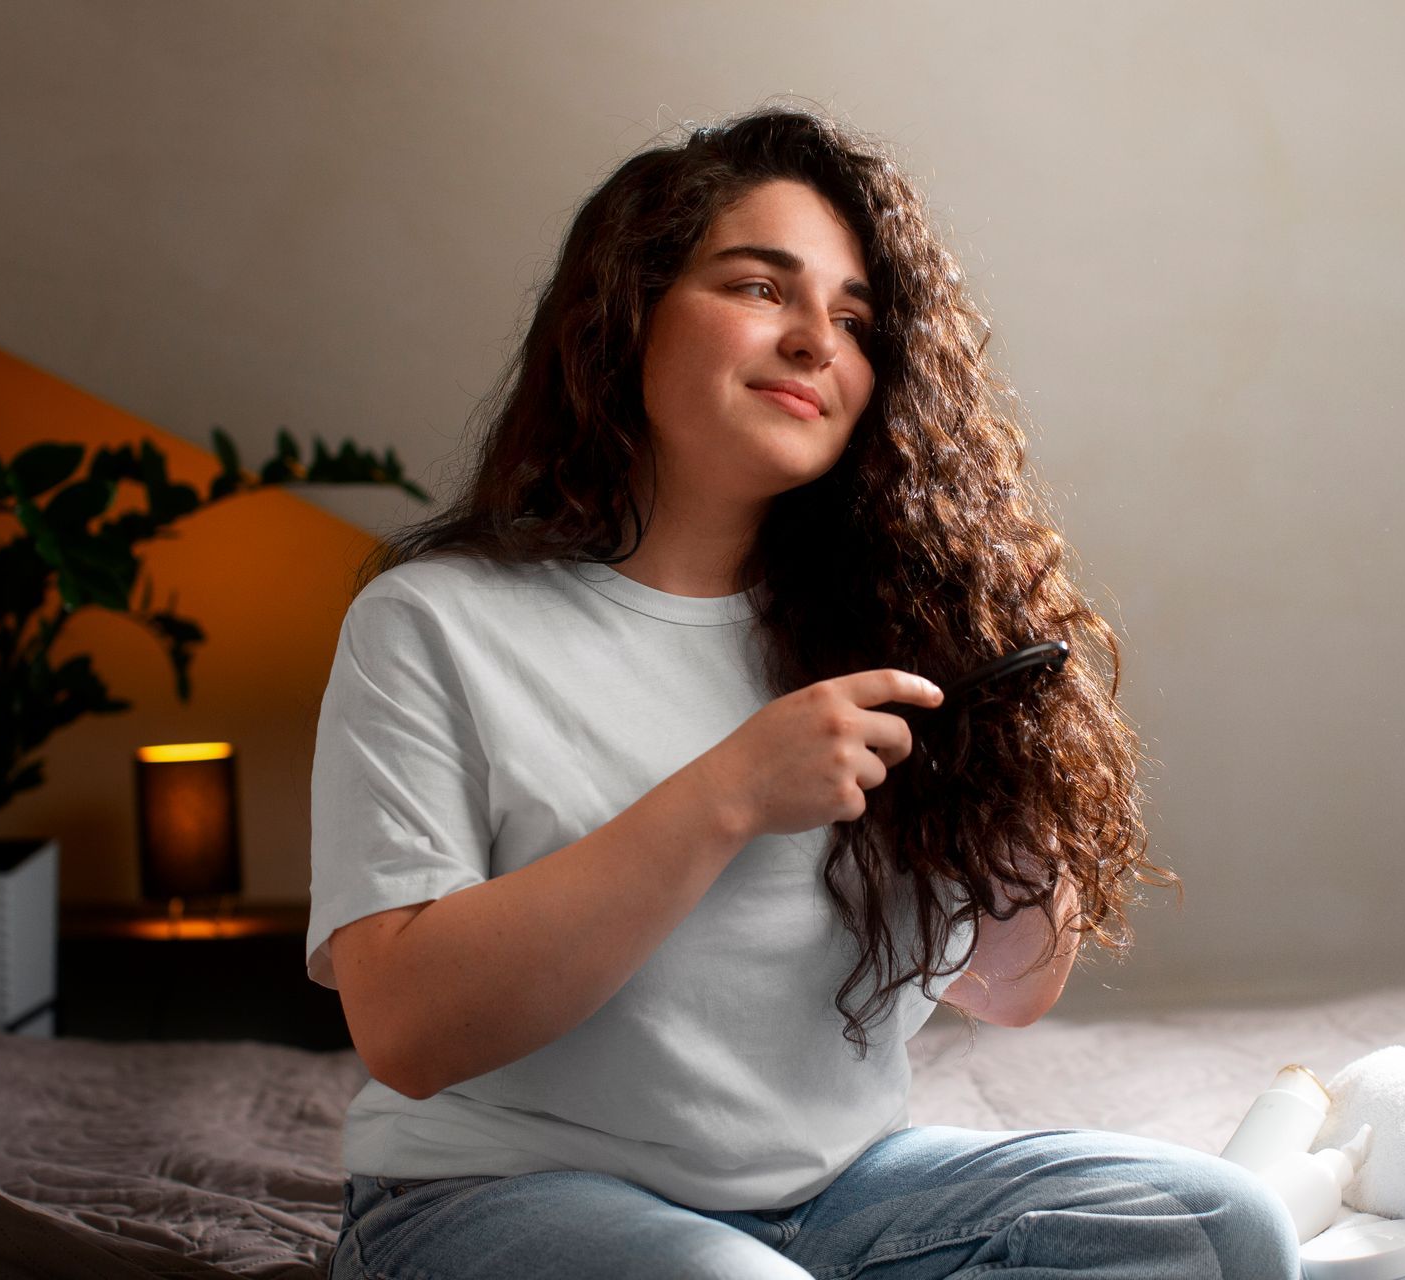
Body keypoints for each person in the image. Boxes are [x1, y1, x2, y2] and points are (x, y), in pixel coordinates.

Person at [308, 103, 1300, 1279]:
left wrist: (1016, 791)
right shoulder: (433, 621)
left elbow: (1009, 989)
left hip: (838, 1197)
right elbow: (407, 1031)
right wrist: (728, 791)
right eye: (759, 287)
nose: (814, 340)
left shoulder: (889, 628)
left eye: (853, 317)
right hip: (496, 1191)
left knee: (1221, 1226)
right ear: (622, 315)